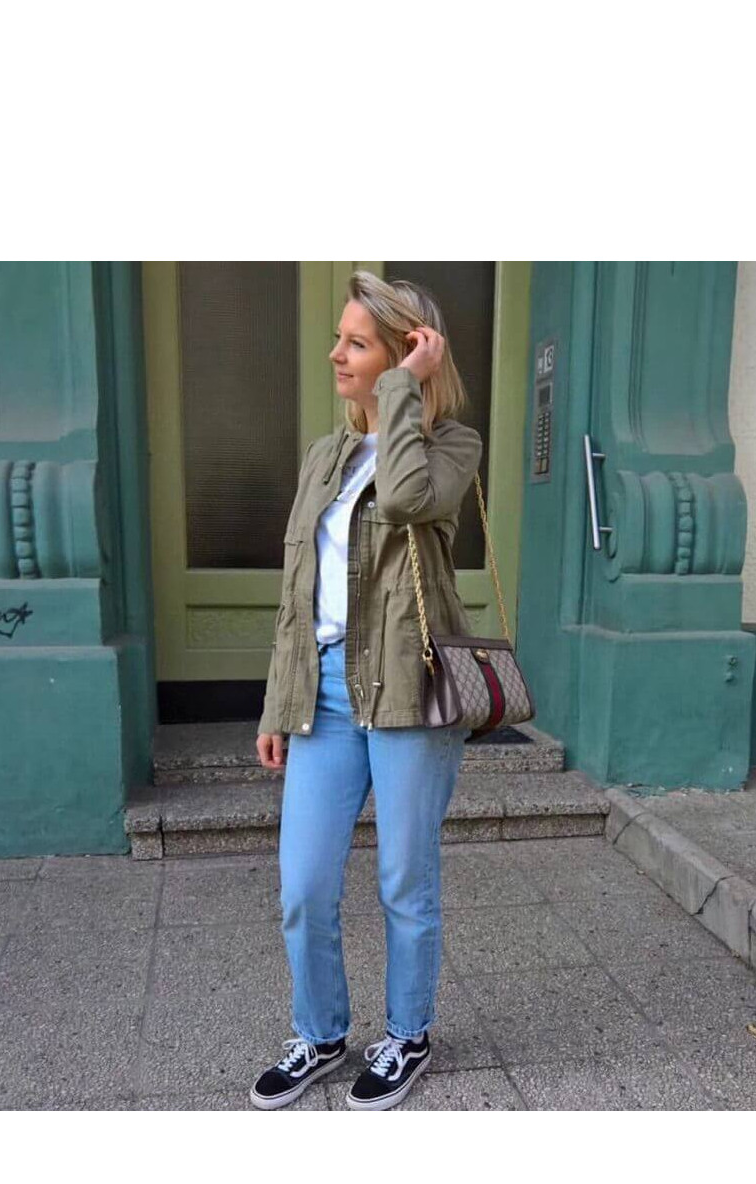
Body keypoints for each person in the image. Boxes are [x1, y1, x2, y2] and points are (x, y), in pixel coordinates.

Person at [249, 270, 483, 1111]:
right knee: (304, 884)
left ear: (407, 353)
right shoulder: (328, 455)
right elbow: (297, 591)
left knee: (404, 880)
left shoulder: (451, 446)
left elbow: (412, 498)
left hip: (410, 692)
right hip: (326, 694)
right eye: (339, 340)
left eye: (357, 343)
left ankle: (408, 1033)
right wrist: (279, 702)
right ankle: (320, 1033)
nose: (335, 355)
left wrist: (404, 395)